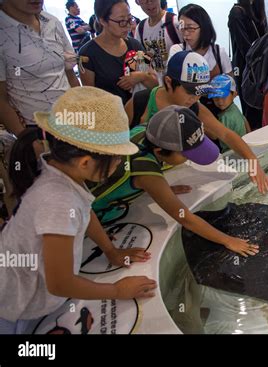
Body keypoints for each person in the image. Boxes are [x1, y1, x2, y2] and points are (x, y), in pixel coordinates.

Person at [0, 87, 156, 334]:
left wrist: (111, 250)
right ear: (86, 162)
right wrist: (117, 290)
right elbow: (60, 283)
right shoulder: (57, 201)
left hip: (35, 295)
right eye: (116, 158)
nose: (118, 165)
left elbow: (86, 210)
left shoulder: (61, 170)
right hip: (15, 311)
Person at [90, 105, 260, 257]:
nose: (188, 160)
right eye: (186, 155)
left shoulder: (145, 130)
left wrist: (162, 188)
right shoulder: (146, 173)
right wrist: (228, 240)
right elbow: (185, 218)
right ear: (160, 151)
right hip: (92, 217)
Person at [126, 51, 268, 194]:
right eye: (190, 92)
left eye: (199, 93)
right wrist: (153, 186)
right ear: (169, 82)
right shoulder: (139, 103)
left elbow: (225, 134)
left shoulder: (194, 107)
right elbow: (118, 153)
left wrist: (252, 161)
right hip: (139, 182)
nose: (195, 99)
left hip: (173, 175)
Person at [0, 0, 80, 136]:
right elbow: (1, 98)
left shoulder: (51, 21)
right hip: (36, 128)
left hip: (72, 117)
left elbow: (69, 73)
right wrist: (25, 139)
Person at [79, 0, 158, 105]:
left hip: (141, 115)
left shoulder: (135, 45)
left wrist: (141, 76)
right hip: (111, 117)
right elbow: (89, 98)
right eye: (121, 21)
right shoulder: (87, 54)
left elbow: (155, 84)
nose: (128, 26)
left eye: (129, 19)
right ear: (103, 21)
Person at [169, 4, 233, 116]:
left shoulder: (219, 52)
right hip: (189, 110)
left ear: (203, 27)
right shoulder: (177, 51)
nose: (185, 33)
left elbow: (231, 84)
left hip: (220, 110)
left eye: (190, 28)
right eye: (182, 28)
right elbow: (174, 87)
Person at [228, 0, 268, 130]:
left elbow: (265, 38)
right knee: (251, 109)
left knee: (262, 108)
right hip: (246, 69)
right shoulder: (237, 13)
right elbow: (246, 48)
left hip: (260, 67)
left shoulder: (257, 9)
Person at [134, 0, 183, 85]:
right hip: (156, 87)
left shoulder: (175, 22)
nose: (149, 3)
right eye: (143, 0)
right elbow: (141, 60)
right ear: (137, 2)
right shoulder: (140, 29)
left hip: (178, 84)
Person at [208, 74, 251, 152]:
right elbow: (245, 121)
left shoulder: (226, 117)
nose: (220, 102)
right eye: (216, 98)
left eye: (224, 97)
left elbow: (214, 135)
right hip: (244, 146)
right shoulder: (234, 107)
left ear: (234, 94)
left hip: (231, 151)